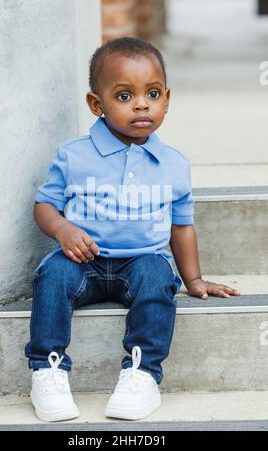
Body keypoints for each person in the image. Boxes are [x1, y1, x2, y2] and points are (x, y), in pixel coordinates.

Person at [25, 37, 240, 422]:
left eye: (153, 93)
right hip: (83, 262)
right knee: (52, 274)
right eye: (124, 96)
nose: (142, 104)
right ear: (97, 104)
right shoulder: (74, 155)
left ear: (167, 99)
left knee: (160, 277)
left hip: (141, 262)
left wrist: (194, 278)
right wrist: (61, 230)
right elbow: (44, 206)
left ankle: (141, 374)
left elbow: (181, 225)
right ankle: (48, 368)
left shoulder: (173, 163)